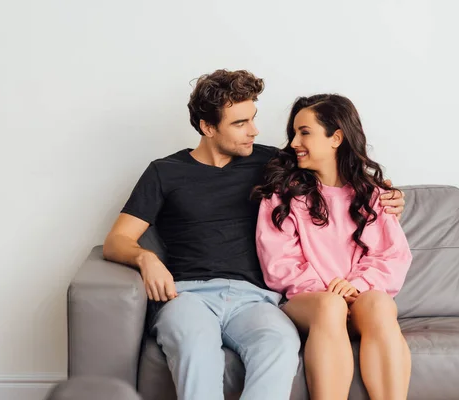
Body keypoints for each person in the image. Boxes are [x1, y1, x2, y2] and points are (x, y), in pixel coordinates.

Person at [103, 70, 405, 400]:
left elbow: (332, 168)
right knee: (196, 345)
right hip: (188, 295)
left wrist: (387, 194)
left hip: (255, 300)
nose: (254, 131)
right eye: (240, 123)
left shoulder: (273, 164)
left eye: (253, 119)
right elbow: (117, 240)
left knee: (279, 344)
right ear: (207, 127)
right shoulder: (164, 172)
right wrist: (145, 258)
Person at [253, 94, 412, 400]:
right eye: (294, 133)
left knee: (379, 304)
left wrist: (355, 286)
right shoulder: (281, 195)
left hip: (361, 301)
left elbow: (392, 256)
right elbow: (279, 263)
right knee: (330, 306)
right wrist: (330, 292)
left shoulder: (374, 195)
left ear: (336, 137)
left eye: (305, 132)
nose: (294, 142)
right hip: (312, 305)